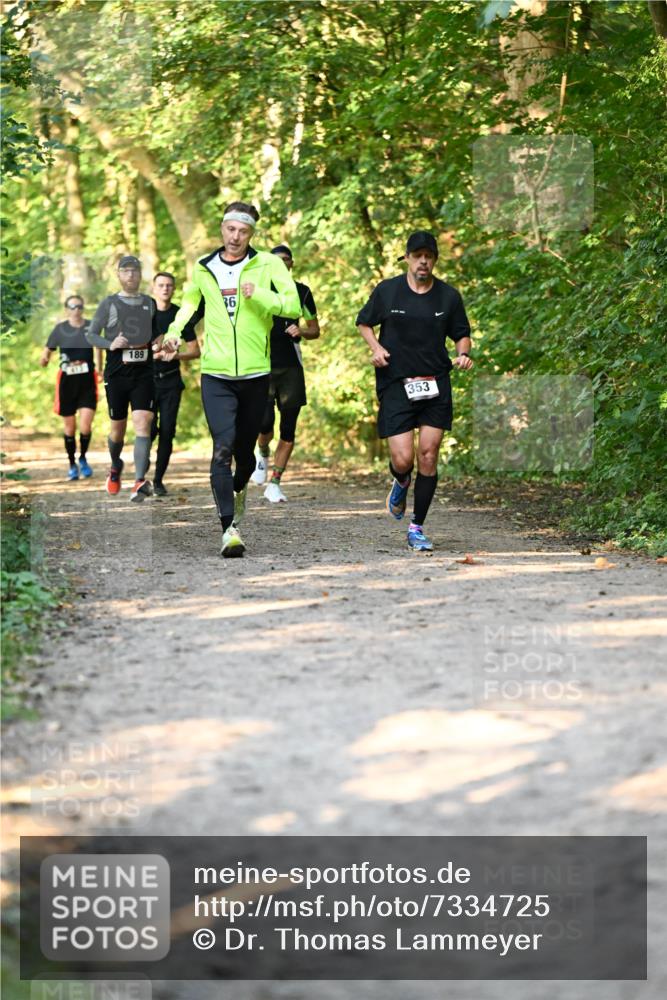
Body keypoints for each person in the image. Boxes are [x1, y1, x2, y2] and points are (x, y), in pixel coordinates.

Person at [161, 201, 300, 557]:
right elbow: (190, 305)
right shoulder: (204, 266)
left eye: (243, 231)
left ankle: (240, 491)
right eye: (231, 229)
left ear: (251, 234)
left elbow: (292, 305)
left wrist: (261, 295)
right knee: (222, 449)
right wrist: (174, 333)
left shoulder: (267, 264)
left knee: (245, 457)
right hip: (216, 374)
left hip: (256, 374)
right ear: (222, 229)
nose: (236, 236)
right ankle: (229, 529)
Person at [356, 231, 473, 552]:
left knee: (428, 455)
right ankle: (401, 480)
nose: (423, 261)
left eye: (429, 256)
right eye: (417, 255)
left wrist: (464, 354)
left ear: (434, 260)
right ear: (407, 258)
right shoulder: (388, 291)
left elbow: (462, 334)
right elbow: (364, 323)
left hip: (435, 382)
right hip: (396, 382)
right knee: (403, 458)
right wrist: (376, 348)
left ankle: (416, 527)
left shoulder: (448, 297)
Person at [85, 255, 160, 502]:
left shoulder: (150, 303)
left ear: (140, 274)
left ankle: (139, 481)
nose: (131, 275)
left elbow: (156, 334)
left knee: (143, 421)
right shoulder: (109, 303)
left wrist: (162, 343)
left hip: (144, 374)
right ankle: (115, 465)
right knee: (117, 429)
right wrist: (110, 343)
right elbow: (91, 335)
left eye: (135, 271)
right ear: (118, 275)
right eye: (126, 271)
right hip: (117, 374)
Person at [250, 244, 320, 502]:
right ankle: (262, 452)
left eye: (286, 260)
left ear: (291, 264)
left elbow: (315, 329)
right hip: (262, 364)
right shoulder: (258, 290)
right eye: (276, 260)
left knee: (288, 428)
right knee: (264, 423)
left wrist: (302, 331)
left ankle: (275, 483)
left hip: (291, 366)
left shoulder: (302, 292)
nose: (281, 264)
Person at [150, 272, 201, 496]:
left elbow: (195, 351)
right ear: (153, 288)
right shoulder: (145, 314)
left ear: (174, 289)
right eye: (161, 285)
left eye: (169, 285)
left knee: (168, 430)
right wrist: (151, 355)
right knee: (149, 430)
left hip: (171, 382)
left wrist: (175, 356)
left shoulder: (180, 316)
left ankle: (158, 480)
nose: (165, 289)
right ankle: (142, 470)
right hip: (147, 382)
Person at [40, 294, 102, 481]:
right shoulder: (60, 329)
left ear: (83, 308)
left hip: (87, 381)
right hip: (67, 382)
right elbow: (47, 351)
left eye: (79, 306)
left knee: (85, 425)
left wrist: (100, 369)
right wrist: (44, 359)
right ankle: (72, 464)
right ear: (66, 309)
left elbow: (98, 348)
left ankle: (83, 458)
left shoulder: (91, 326)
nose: (76, 310)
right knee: (69, 426)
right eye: (73, 307)